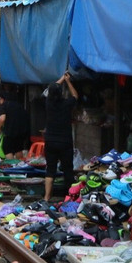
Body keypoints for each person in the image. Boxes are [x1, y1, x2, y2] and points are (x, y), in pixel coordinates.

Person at [43, 72, 77, 202]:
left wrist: (62, 78)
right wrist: (68, 81)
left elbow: (54, 87)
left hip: (50, 141)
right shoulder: (66, 104)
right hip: (65, 142)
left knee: (50, 170)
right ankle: (69, 197)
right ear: (61, 93)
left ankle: (46, 197)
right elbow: (75, 95)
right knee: (68, 170)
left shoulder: (48, 103)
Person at [0, 91, 30, 158]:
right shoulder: (19, 105)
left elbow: (2, 118)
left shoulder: (5, 105)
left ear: (1, 98)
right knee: (18, 149)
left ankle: (11, 165)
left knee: (7, 149)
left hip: (10, 132)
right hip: (21, 132)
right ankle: (19, 165)